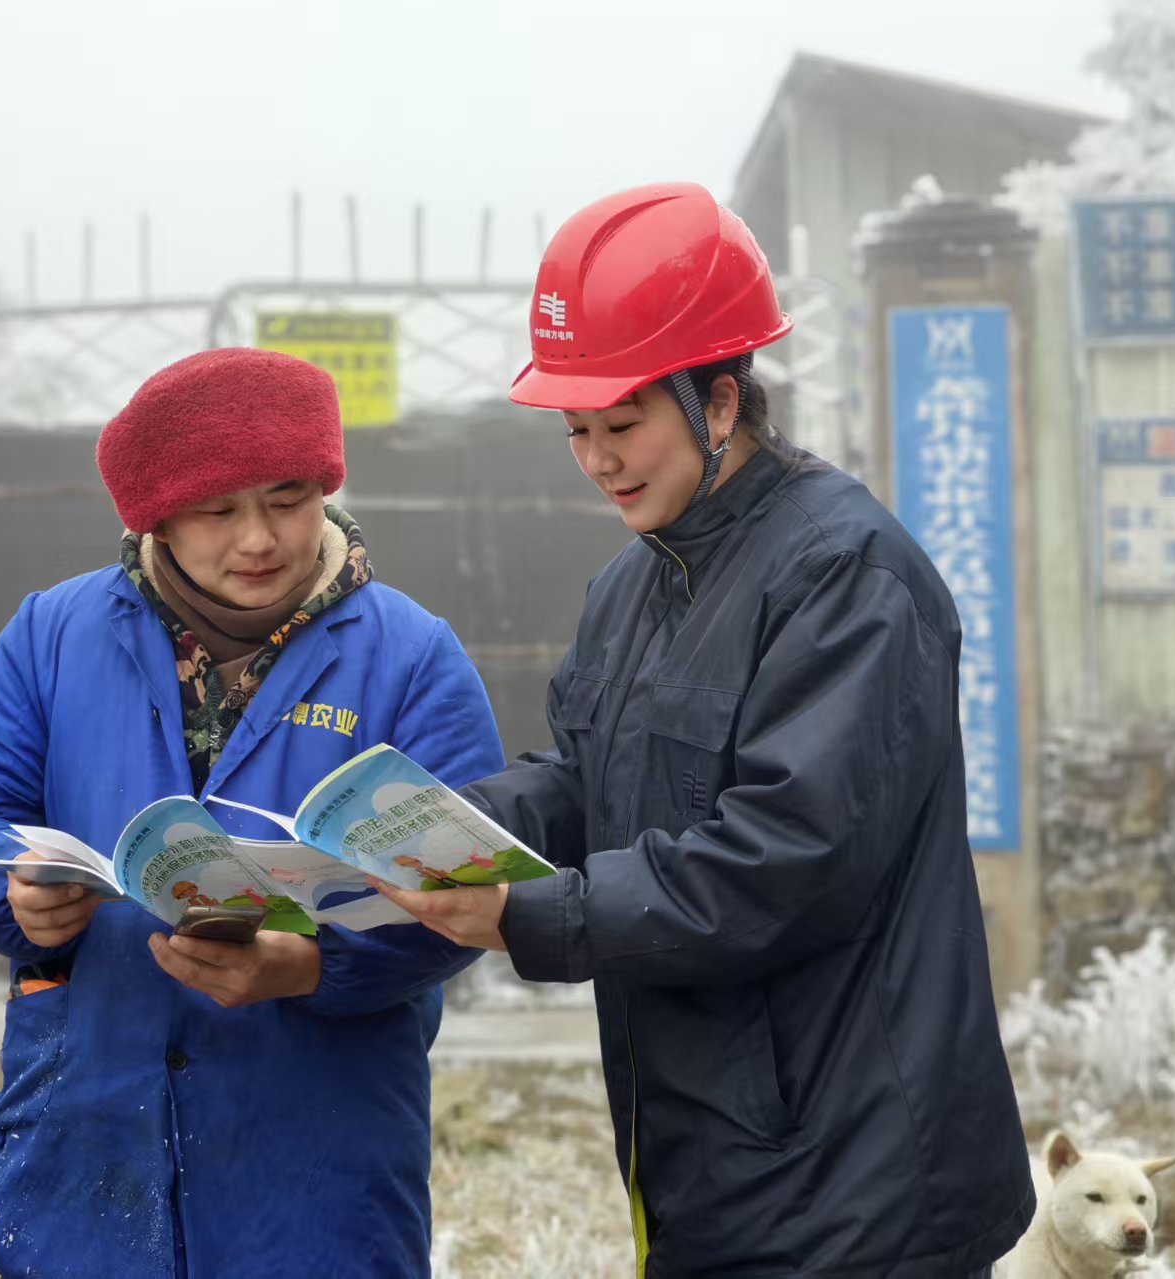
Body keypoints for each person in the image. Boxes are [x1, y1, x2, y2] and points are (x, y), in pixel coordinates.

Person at [373, 182, 1033, 1278]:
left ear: (720, 402)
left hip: (852, 1183)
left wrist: (531, 914)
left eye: (622, 423)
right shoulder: (630, 585)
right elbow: (588, 780)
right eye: (576, 431)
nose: (599, 459)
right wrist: (448, 823)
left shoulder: (844, 574)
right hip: (704, 1164)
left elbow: (786, 860)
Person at [0, 347, 504, 1278]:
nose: (259, 539)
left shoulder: (412, 659)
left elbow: (470, 894)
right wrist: (14, 890)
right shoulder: (51, 635)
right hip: (86, 1144)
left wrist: (312, 967)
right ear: (155, 514)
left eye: (287, 498)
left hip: (319, 1171)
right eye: (217, 510)